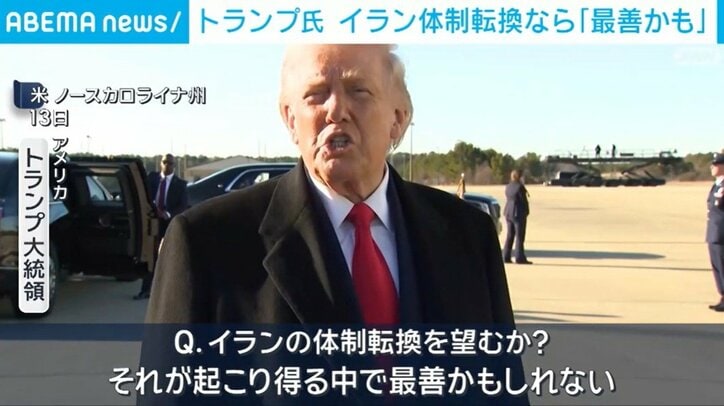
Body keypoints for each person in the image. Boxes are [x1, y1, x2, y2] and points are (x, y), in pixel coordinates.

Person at [140, 45, 526, 404]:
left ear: (398, 118)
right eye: (316, 94)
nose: (336, 110)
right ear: (291, 119)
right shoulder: (206, 242)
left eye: (359, 90)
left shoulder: (467, 235)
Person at [133, 153, 188, 300]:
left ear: (174, 166)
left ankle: (169, 291)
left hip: (168, 223)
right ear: (160, 164)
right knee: (150, 256)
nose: (167, 165)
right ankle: (145, 290)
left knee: (168, 255)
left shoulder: (180, 184)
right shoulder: (151, 179)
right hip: (151, 222)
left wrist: (168, 214)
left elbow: (183, 206)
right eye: (165, 162)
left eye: (170, 163)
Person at [502, 169, 532, 264]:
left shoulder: (508, 186)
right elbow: (523, 201)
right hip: (518, 213)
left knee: (510, 235)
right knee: (519, 236)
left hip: (508, 211)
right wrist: (526, 211)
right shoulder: (520, 187)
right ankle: (519, 257)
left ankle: (506, 256)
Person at [707, 152, 724, 311]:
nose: (712, 167)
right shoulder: (717, 184)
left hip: (722, 233)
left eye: (716, 164)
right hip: (714, 232)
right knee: (717, 267)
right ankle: (722, 296)